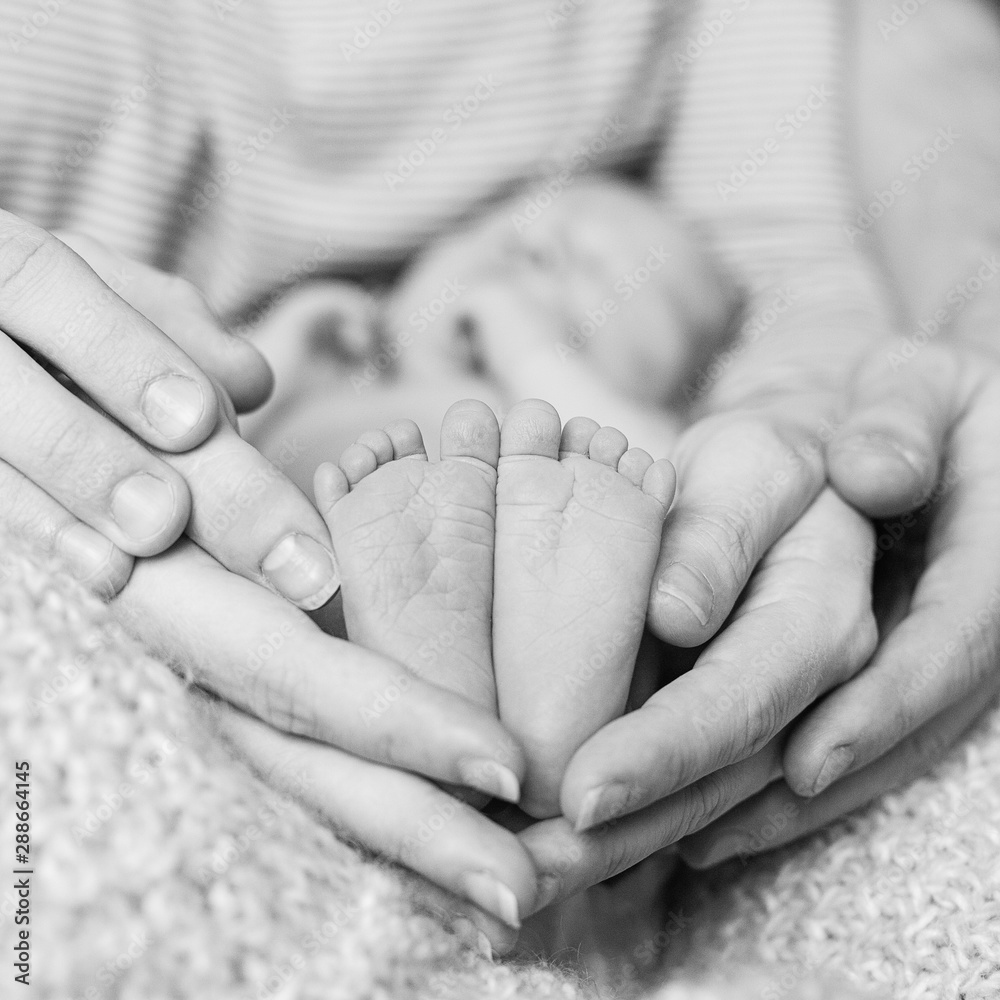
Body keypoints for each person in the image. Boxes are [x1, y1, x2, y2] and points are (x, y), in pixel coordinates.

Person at [3, 0, 998, 949]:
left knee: (624, 518)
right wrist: (293, 345)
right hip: (259, 474)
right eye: (533, 233)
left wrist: (568, 361)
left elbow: (785, 314)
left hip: (427, 492)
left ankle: (549, 685)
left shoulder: (541, 407)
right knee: (283, 482)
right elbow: (236, 379)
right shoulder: (356, 341)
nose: (538, 246)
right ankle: (520, 698)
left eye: (585, 278)